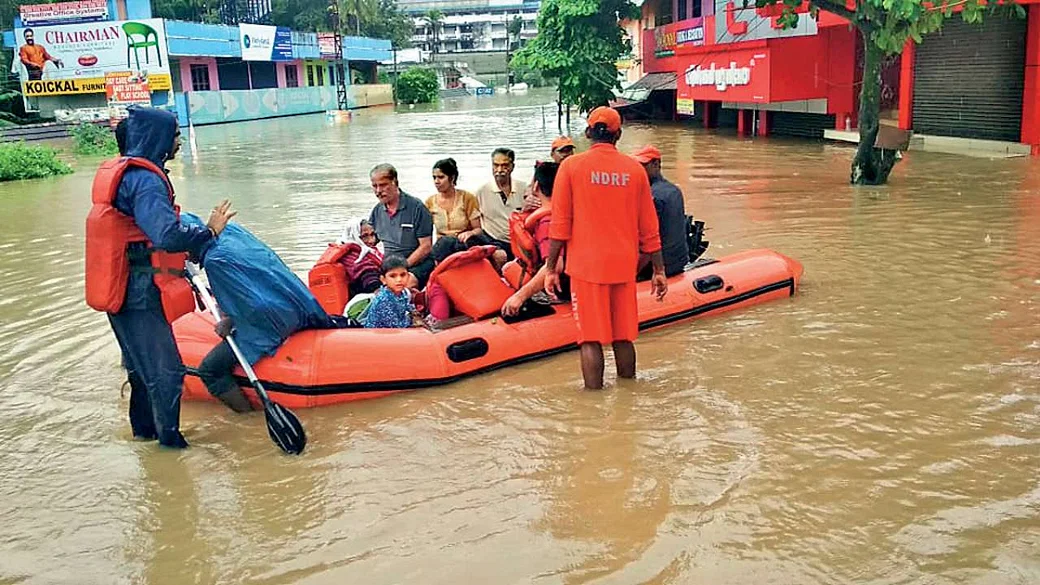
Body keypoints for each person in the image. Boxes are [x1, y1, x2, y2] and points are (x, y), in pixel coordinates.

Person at [85, 106, 235, 448]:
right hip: (138, 290)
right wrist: (208, 232)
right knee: (167, 373)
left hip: (119, 284)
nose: (178, 141)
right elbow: (166, 235)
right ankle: (170, 445)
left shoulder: (128, 175)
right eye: (176, 135)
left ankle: (145, 437)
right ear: (158, 139)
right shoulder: (146, 181)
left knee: (141, 371)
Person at [544, 106, 668, 390]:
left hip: (586, 268)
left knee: (590, 338)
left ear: (588, 133)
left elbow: (560, 224)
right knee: (623, 336)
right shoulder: (634, 171)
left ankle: (593, 404)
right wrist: (658, 270)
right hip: (624, 266)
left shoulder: (571, 168)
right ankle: (629, 393)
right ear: (619, 134)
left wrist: (551, 268)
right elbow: (650, 229)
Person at [182, 213, 333, 413]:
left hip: (273, 322)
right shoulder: (233, 231)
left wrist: (230, 322)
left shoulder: (214, 261)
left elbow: (253, 307)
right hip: (298, 303)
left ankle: (247, 417)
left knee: (210, 370)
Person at [501, 161, 567, 317]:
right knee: (508, 268)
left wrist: (519, 297)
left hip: (559, 289)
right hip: (569, 279)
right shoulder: (563, 212)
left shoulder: (547, 222)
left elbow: (555, 265)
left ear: (536, 187)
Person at [367, 163, 435, 288]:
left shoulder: (416, 208)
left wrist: (403, 267)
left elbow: (426, 247)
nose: (378, 191)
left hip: (416, 264)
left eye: (383, 185)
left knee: (404, 285)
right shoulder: (377, 211)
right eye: (374, 186)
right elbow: (370, 240)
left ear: (395, 182)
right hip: (389, 265)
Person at [632, 145, 690, 279]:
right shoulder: (674, 190)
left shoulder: (653, 196)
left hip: (660, 266)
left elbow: (648, 239)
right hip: (679, 261)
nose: (638, 170)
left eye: (643, 165)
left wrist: (632, 273)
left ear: (656, 164)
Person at [472, 148, 528, 256]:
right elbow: (474, 222)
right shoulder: (481, 192)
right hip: (494, 241)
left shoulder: (524, 189)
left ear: (512, 167)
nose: (499, 169)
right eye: (496, 165)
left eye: (504, 165)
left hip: (520, 242)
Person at [424, 158, 482, 241]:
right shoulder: (430, 202)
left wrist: (470, 233)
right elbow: (424, 232)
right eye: (434, 177)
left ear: (452, 178)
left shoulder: (467, 198)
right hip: (443, 245)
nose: (436, 181)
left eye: (441, 177)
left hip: (464, 243)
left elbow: (478, 230)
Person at [364, 255, 421, 329]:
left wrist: (414, 312)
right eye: (393, 276)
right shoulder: (384, 300)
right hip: (379, 335)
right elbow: (396, 326)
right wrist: (412, 320)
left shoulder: (403, 292)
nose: (399, 280)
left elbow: (407, 305)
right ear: (383, 279)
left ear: (409, 276)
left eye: (403, 275)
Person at [425, 236, 467, 322]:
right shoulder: (479, 265)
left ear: (436, 262)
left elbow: (439, 319)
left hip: (464, 329)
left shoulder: (438, 284)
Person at [337, 217, 384, 294]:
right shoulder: (350, 256)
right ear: (353, 236)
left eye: (372, 234)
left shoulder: (369, 251)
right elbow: (368, 276)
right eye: (365, 236)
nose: (371, 240)